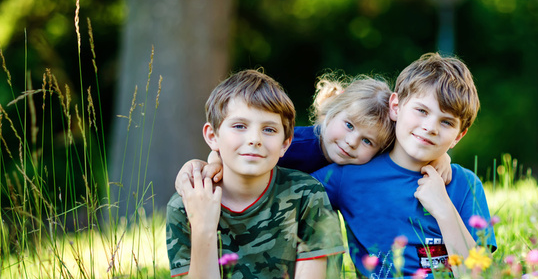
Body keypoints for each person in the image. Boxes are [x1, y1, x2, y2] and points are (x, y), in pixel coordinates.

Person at [311, 52, 498, 279]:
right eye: (421, 111)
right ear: (396, 106)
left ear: (458, 136)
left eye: (446, 122)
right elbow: (286, 178)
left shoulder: (464, 184)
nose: (430, 127)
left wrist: (444, 209)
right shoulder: (349, 177)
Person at [166, 69, 345, 279]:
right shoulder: (185, 204)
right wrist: (203, 227)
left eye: (269, 129)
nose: (254, 139)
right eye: (239, 126)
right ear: (212, 136)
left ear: (286, 143)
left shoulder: (307, 194)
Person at [175, 74, 453, 188]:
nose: (351, 142)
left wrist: (440, 158)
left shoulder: (366, 164)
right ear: (331, 107)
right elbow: (233, 156)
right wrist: (213, 162)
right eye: (348, 125)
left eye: (368, 140)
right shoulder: (290, 143)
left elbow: (405, 157)